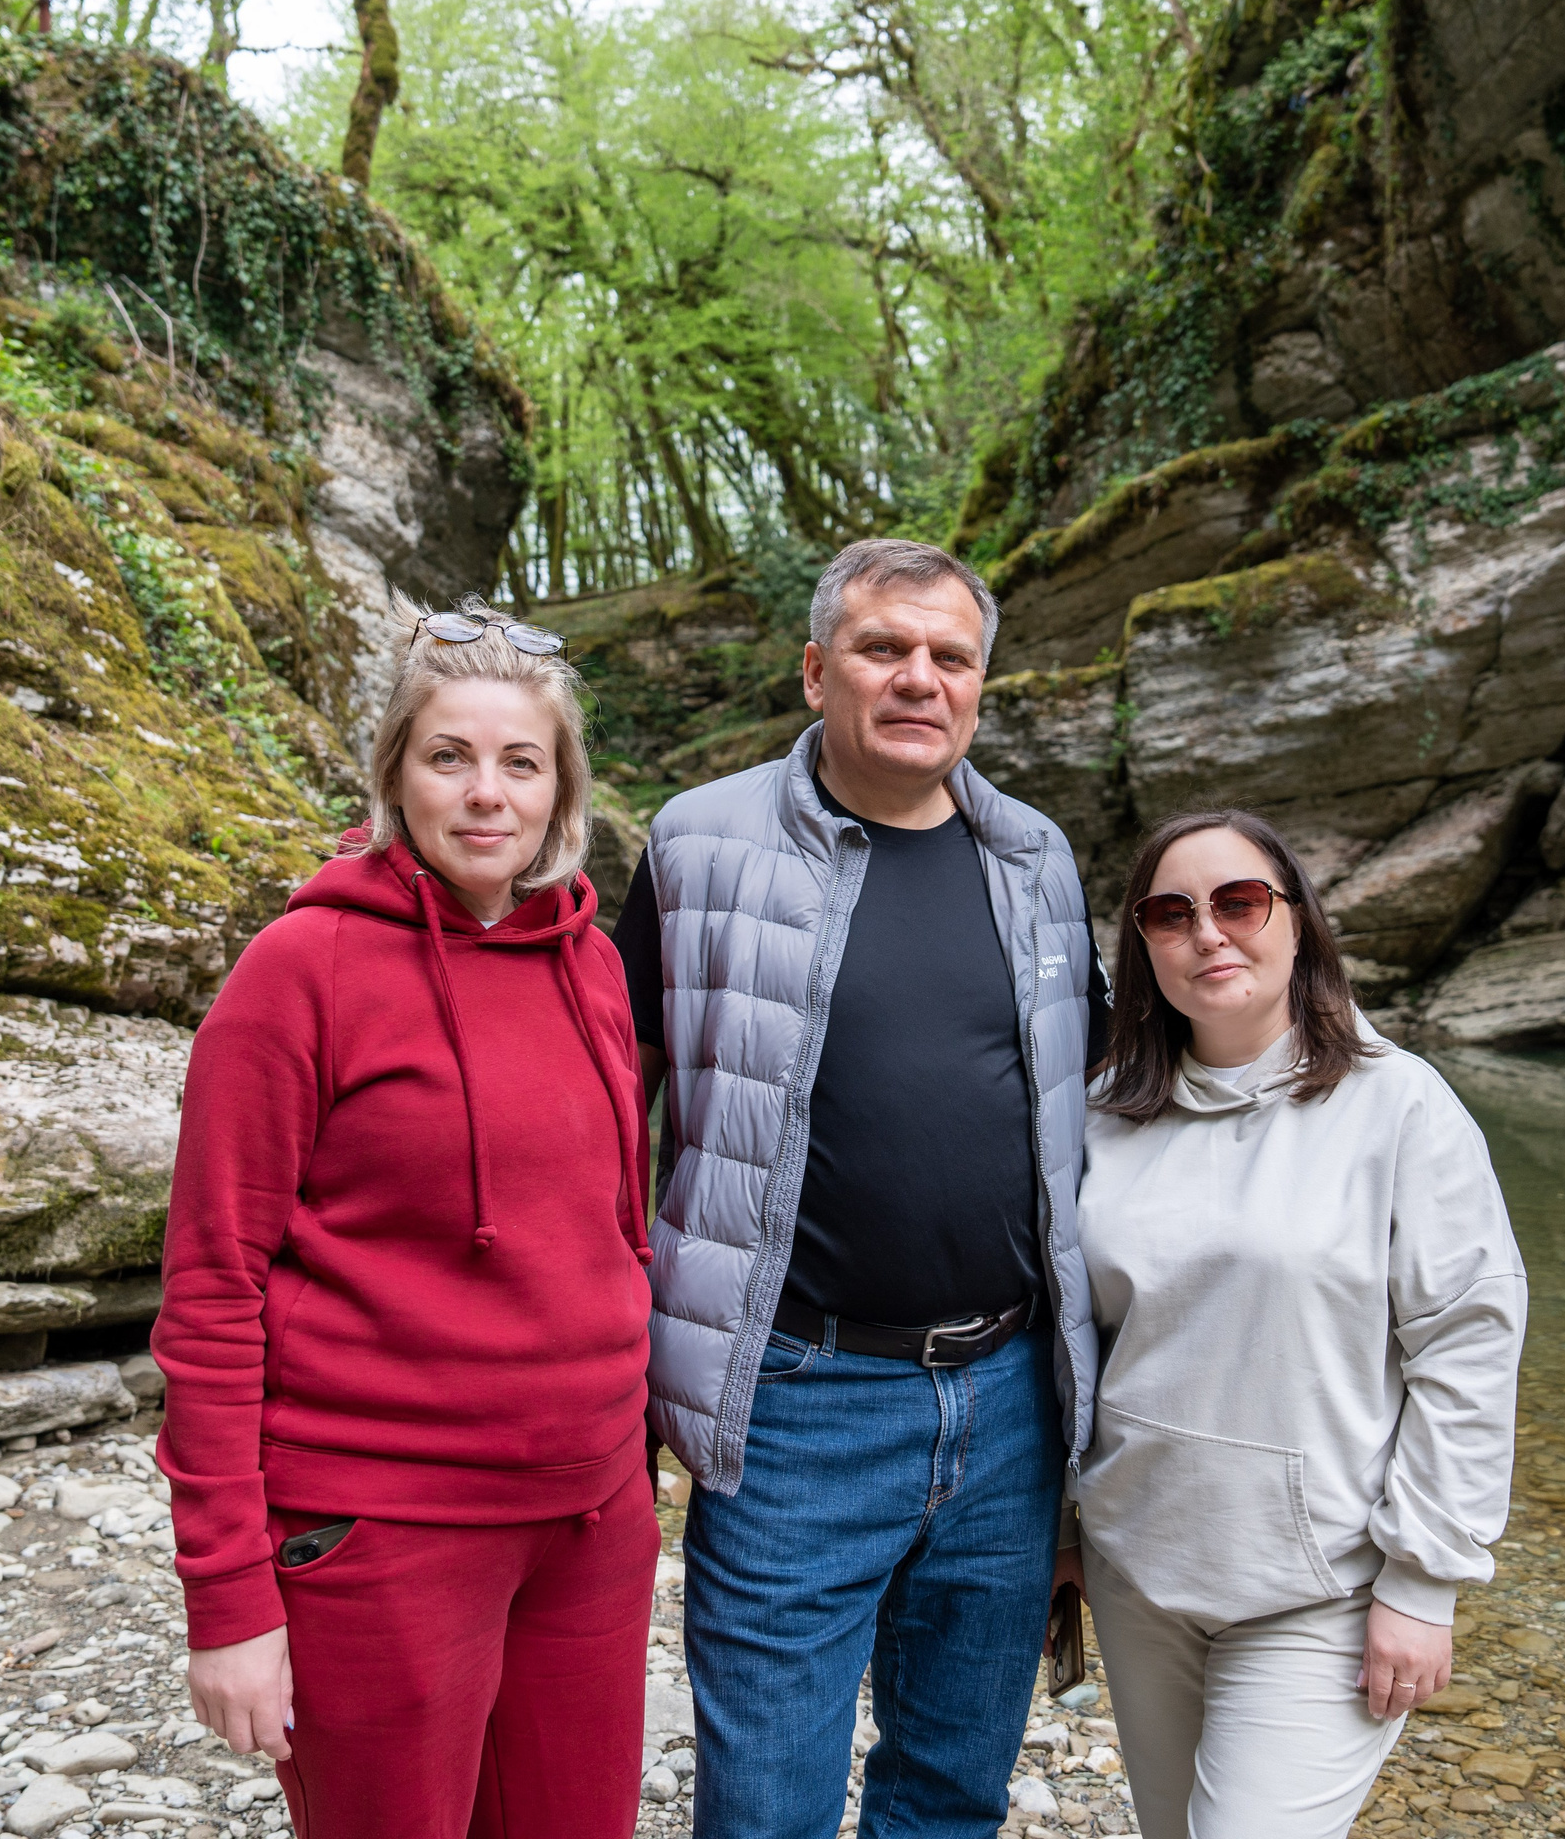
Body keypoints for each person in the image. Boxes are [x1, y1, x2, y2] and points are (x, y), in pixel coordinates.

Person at [609, 538, 1105, 1839]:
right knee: (765, 1809)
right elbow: (611, 1107)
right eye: (884, 648)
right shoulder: (697, 844)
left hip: (1009, 1404)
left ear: (980, 686)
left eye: (951, 657)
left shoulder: (1036, 857)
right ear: (816, 670)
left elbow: (1102, 1103)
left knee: (950, 1794)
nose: (918, 679)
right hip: (791, 1402)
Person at [152, 599, 659, 1839]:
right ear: (394, 775)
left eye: (520, 762)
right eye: (449, 757)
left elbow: (612, 1229)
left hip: (591, 1521)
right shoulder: (300, 972)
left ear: (561, 789)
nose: (487, 794)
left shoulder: (592, 963)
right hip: (384, 1528)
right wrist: (228, 1600)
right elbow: (212, 1289)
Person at [1072, 808, 1526, 1839]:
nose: (1208, 933)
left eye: (1239, 902)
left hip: (1320, 1588)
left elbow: (1466, 1348)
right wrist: (1064, 1525)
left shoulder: (1399, 1106)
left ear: (1297, 920)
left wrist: (1424, 1585)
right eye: (1171, 913)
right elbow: (1071, 1342)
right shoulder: (1103, 1113)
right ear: (1142, 945)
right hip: (1138, 1572)